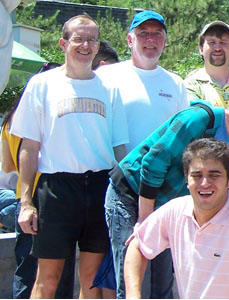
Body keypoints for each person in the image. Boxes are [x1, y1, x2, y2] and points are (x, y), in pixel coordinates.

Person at [105, 75, 229, 298]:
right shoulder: (200, 118)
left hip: (164, 206)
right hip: (131, 195)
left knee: (162, 284)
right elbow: (153, 163)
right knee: (134, 281)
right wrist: (145, 220)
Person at [11, 14, 129, 298]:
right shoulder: (42, 84)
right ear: (64, 43)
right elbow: (29, 147)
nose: (85, 45)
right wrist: (26, 202)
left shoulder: (110, 89)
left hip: (100, 187)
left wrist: (127, 194)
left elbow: (120, 148)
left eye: (91, 39)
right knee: (47, 279)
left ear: (98, 44)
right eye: (78, 38)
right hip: (57, 189)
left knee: (92, 279)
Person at [96, 10, 189, 298]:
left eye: (157, 34)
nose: (150, 40)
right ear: (129, 39)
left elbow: (183, 141)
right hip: (119, 186)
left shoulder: (175, 83)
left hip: (162, 192)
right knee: (125, 273)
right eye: (143, 34)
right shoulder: (106, 76)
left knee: (162, 276)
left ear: (164, 41)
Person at [123, 138, 229, 298]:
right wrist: (133, 296)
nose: (204, 183)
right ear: (186, 179)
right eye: (196, 175)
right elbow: (137, 245)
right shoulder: (174, 211)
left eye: (214, 175)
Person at [1, 62, 77, 299]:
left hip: (22, 199)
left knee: (26, 268)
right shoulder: (52, 119)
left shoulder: (10, 121)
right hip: (50, 197)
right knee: (56, 271)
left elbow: (6, 165)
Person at [184, 21, 229, 108]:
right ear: (201, 49)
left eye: (223, 42)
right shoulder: (190, 86)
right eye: (212, 42)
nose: (217, 48)